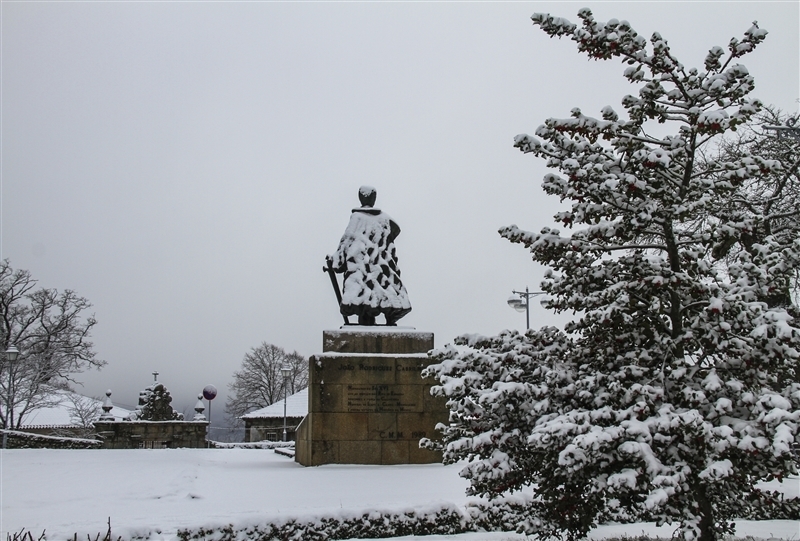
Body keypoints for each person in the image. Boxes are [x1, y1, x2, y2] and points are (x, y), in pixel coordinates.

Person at [327, 186, 411, 326]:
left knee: (364, 304)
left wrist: (336, 261)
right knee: (384, 298)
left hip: (363, 275)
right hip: (382, 274)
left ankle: (367, 325)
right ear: (374, 198)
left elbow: (346, 243)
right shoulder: (385, 220)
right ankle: (388, 323)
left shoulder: (357, 219)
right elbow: (395, 232)